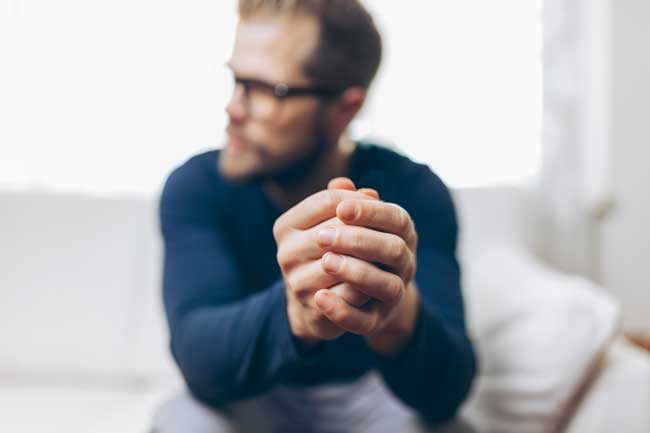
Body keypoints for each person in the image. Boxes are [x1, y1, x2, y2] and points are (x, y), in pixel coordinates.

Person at [154, 1, 476, 432]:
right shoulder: (197, 186)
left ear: (345, 109)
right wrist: (295, 314)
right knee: (182, 420)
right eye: (235, 81)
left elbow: (448, 391)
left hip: (376, 399)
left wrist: (396, 315)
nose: (233, 109)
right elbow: (199, 357)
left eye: (266, 90)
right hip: (252, 400)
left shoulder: (416, 191)